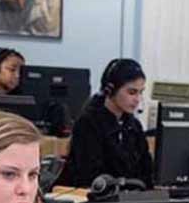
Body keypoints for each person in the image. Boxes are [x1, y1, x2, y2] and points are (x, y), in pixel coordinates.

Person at [65, 58, 152, 188]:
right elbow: (88, 176)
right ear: (110, 89)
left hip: (129, 199)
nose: (138, 99)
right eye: (132, 92)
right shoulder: (88, 123)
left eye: (141, 92)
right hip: (98, 199)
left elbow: (146, 170)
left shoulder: (134, 126)